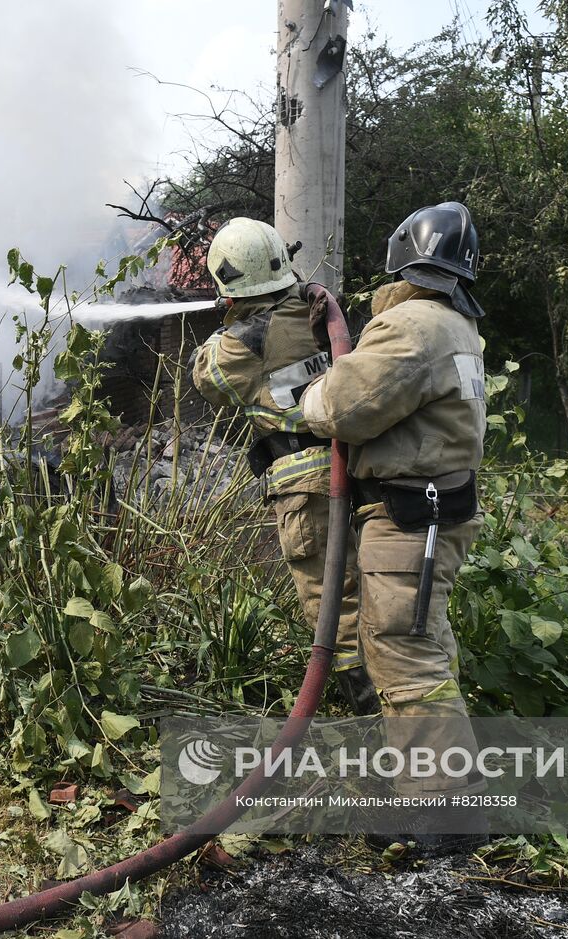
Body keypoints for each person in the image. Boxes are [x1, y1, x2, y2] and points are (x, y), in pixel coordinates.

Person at [299, 201, 489, 843]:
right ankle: (439, 786)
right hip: (431, 512)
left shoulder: (413, 326)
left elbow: (340, 408)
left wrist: (312, 391)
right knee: (422, 643)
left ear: (404, 257)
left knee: (403, 652)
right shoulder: (457, 325)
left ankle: (444, 811)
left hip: (410, 517)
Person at [191, 217, 377, 714]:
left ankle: (374, 725)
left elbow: (207, 379)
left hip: (305, 489)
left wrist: (226, 324)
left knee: (334, 611)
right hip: (357, 469)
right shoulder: (319, 311)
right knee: (373, 593)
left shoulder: (244, 341)